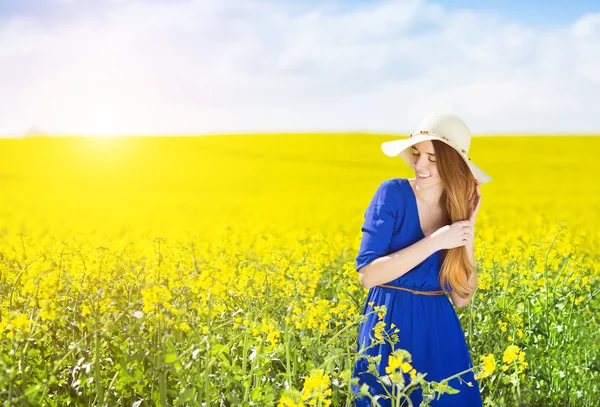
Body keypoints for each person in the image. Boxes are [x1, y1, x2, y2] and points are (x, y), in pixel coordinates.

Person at [350, 112, 492, 406]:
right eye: (416, 154)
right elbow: (369, 276)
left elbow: (463, 297)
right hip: (387, 326)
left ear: (453, 165)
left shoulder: (455, 211)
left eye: (432, 158)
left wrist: (467, 227)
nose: (419, 165)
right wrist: (436, 241)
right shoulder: (391, 193)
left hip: (439, 332)